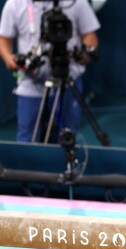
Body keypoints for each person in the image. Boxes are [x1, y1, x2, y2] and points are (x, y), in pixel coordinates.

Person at [0, 0, 100, 142]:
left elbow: (90, 35)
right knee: (28, 139)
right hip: (31, 84)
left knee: (67, 138)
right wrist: (9, 59)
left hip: (68, 80)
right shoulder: (15, 4)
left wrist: (85, 52)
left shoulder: (76, 2)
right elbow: (4, 39)